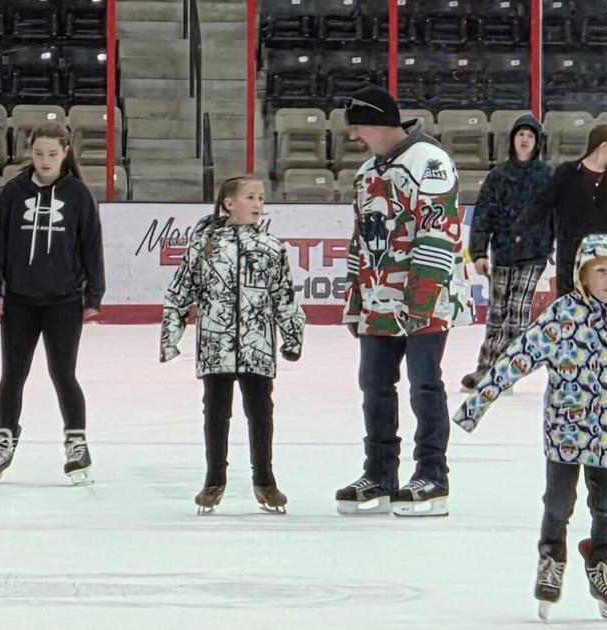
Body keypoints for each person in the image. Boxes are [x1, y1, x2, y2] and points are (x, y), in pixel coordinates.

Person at [454, 234, 607, 623]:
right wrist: (476, 404)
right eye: (599, 271)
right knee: (558, 502)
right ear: (582, 274)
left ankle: (601, 561)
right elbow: (517, 357)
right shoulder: (562, 314)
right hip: (566, 431)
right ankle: (551, 557)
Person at [336, 85, 473, 517]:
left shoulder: (429, 163)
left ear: (377, 123)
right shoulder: (366, 173)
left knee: (424, 385)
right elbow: (360, 243)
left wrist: (420, 300)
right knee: (374, 386)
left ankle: (432, 475)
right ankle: (379, 472)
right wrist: (356, 298)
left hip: (424, 301)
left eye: (358, 127)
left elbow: (438, 234)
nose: (355, 136)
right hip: (379, 300)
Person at [160, 176, 305, 514]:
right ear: (228, 203)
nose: (258, 204)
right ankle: (214, 480)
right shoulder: (204, 245)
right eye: (250, 197)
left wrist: (293, 334)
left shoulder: (272, 247)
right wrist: (171, 336)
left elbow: (284, 295)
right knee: (216, 412)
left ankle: (265, 480)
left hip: (257, 345)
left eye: (261, 198)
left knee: (260, 412)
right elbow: (182, 290)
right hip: (216, 344)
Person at [0, 121, 106, 485]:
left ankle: (77, 442)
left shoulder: (79, 195)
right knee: (13, 374)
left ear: (65, 152)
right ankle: (4, 438)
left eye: (52, 154)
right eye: (38, 154)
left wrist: (93, 293)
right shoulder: (14, 192)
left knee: (63, 373)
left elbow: (91, 246)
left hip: (64, 301)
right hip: (19, 301)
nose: (45, 160)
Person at [461, 114, 555, 391]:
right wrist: (479, 252)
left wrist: (554, 241)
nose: (525, 139)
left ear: (537, 142)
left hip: (534, 254)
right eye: (520, 134)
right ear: (512, 140)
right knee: (497, 314)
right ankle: (485, 368)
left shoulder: (547, 176)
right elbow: (483, 216)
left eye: (530, 135)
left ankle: (506, 370)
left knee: (517, 314)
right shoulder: (498, 176)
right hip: (502, 252)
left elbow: (557, 214)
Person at [517, 123, 607, 297]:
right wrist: (521, 232)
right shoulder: (566, 174)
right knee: (569, 307)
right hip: (570, 259)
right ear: (603, 147)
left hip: (604, 261)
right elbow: (541, 205)